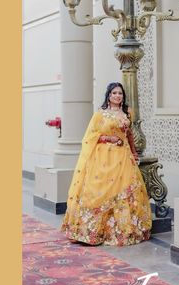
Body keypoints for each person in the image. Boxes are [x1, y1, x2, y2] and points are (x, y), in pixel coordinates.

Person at [61, 82, 152, 246]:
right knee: (100, 191)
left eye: (120, 94)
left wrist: (133, 151)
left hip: (123, 158)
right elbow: (90, 137)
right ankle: (92, 231)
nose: (118, 96)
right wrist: (109, 139)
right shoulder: (100, 115)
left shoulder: (127, 113)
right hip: (104, 158)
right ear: (108, 96)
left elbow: (129, 134)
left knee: (127, 191)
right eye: (115, 93)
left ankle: (124, 231)